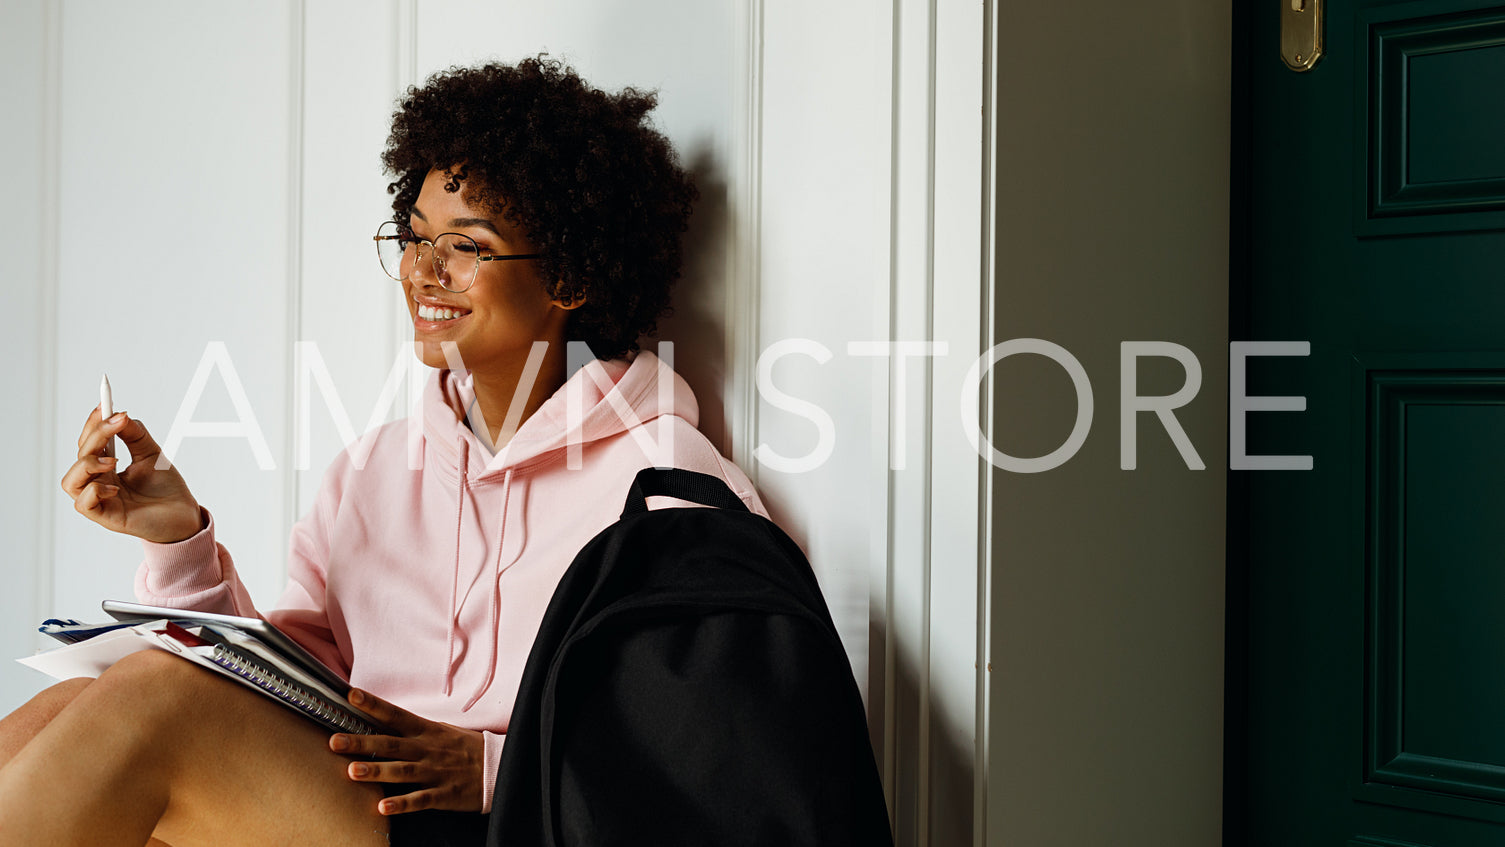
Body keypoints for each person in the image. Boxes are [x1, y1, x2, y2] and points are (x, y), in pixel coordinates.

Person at [0, 56, 765, 847]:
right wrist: (178, 540)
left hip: (519, 822)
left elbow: (722, 756)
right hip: (366, 804)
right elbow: (274, 688)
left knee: (155, 700)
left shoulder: (668, 490)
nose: (420, 272)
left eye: (465, 246)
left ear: (569, 276)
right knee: (79, 706)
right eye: (415, 237)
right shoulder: (373, 471)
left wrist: (495, 765)